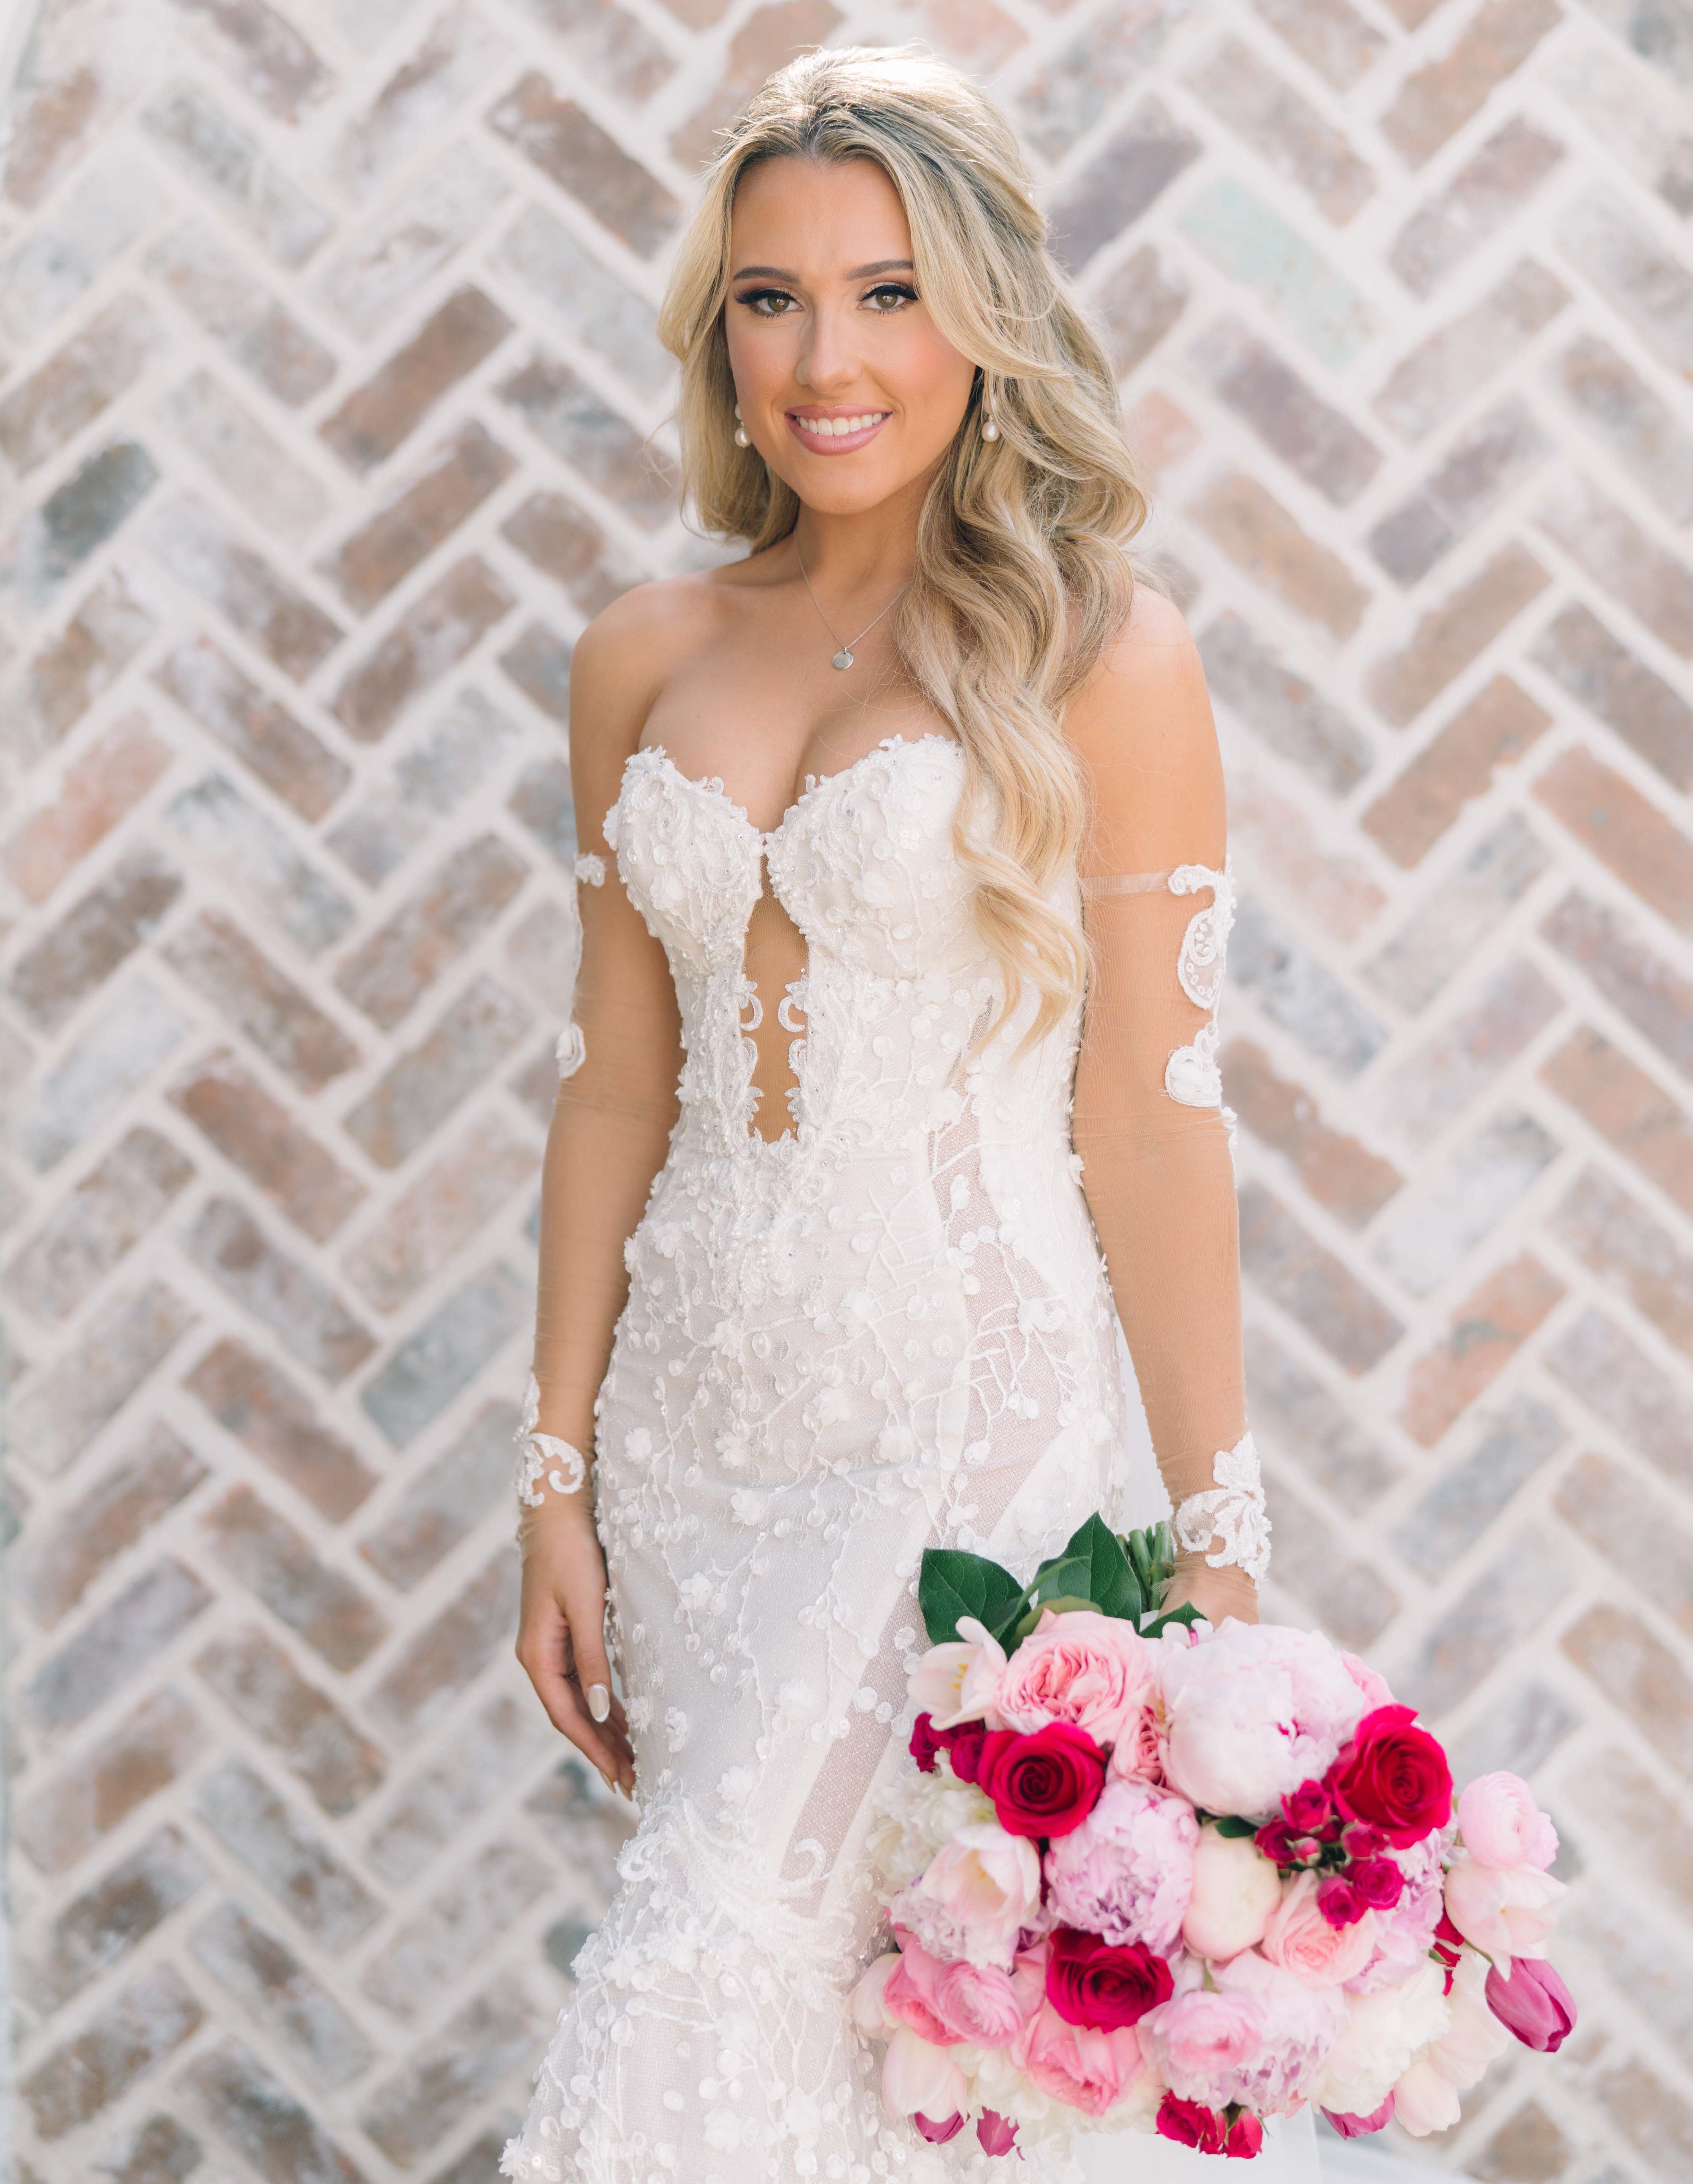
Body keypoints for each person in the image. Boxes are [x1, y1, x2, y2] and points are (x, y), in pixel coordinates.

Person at [499, 44, 1312, 2184]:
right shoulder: (642, 651)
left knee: (705, 1955)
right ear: (721, 336)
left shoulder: (1096, 654)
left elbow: (1153, 1118)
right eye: (770, 299)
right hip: (688, 1439)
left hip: (956, 1414)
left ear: (985, 319)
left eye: (885, 293)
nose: (824, 359)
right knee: (863, 2022)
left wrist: (1223, 1565)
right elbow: (611, 1085)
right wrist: (554, 1479)